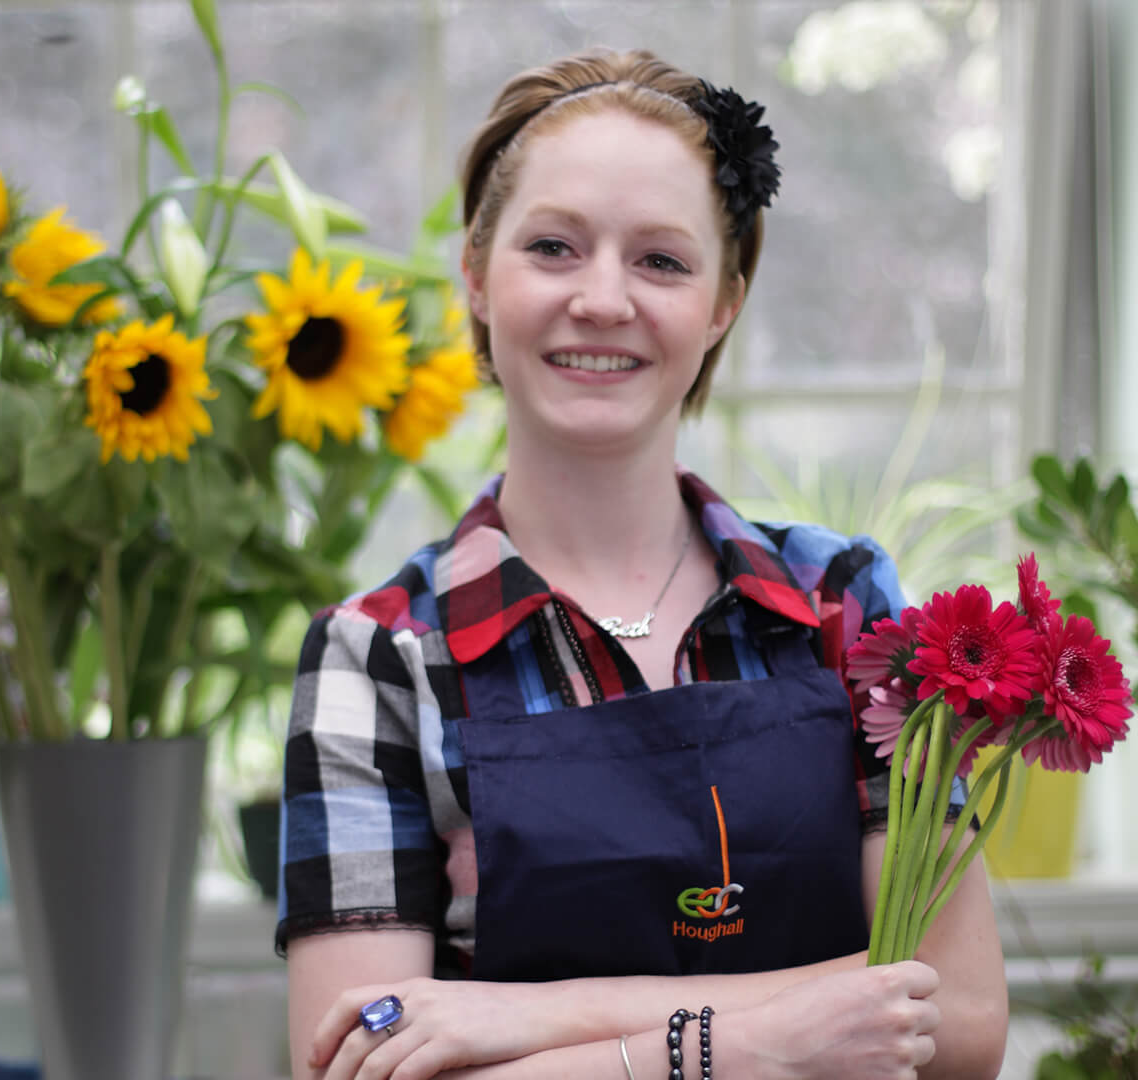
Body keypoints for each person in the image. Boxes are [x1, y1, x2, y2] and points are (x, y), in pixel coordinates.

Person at [276, 46, 1009, 1080]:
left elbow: (963, 1020)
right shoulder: (379, 659)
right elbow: (355, 1062)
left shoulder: (843, 608)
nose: (604, 300)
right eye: (554, 248)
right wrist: (746, 1045)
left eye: (662, 261)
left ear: (725, 303)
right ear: (478, 277)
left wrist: (525, 1024)